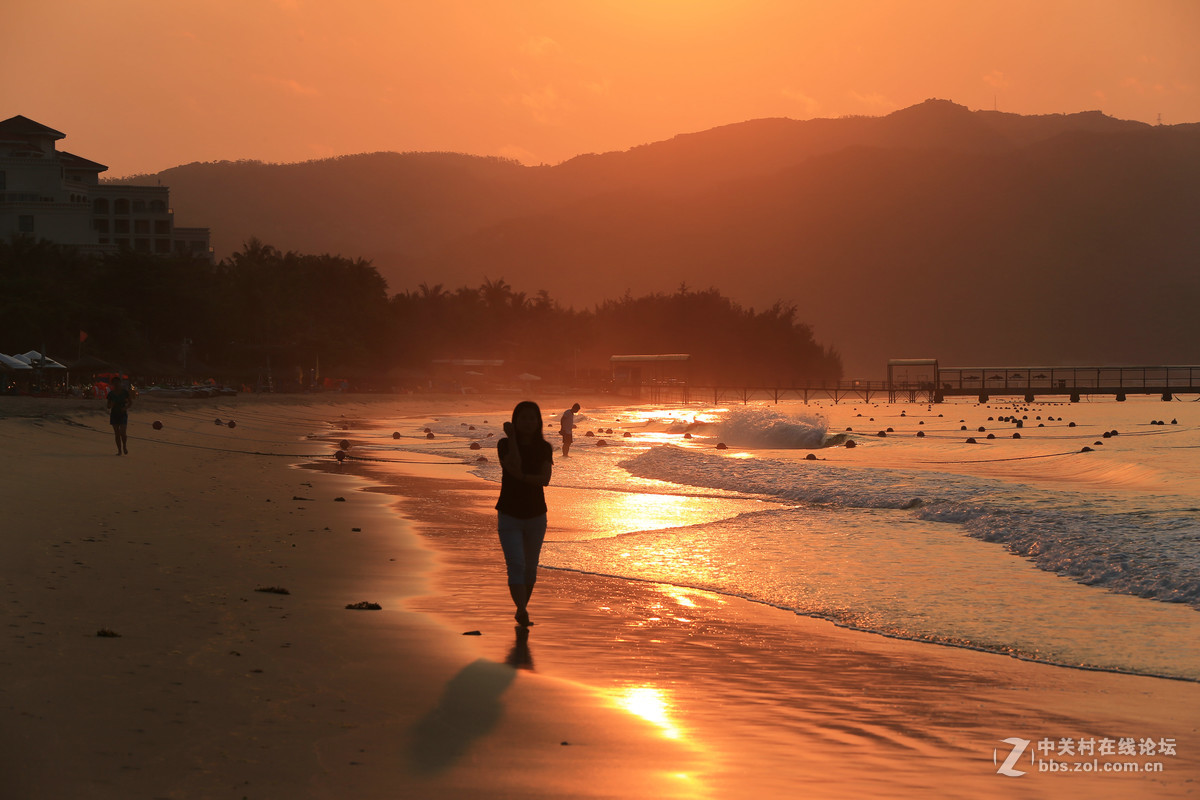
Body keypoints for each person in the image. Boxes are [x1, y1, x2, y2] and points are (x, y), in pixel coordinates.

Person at [495, 400, 554, 627]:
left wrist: (521, 478)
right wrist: (512, 440)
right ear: (515, 421)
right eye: (523, 418)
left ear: (538, 422)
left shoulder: (544, 448)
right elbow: (513, 465)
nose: (528, 423)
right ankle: (521, 610)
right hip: (509, 512)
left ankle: (522, 608)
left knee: (530, 566)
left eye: (532, 418)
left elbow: (545, 479)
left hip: (536, 514)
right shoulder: (504, 444)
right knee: (516, 563)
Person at [106, 376, 133, 455]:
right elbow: (108, 406)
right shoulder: (111, 394)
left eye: (117, 383)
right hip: (114, 414)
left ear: (120, 383)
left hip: (122, 414)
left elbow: (130, 402)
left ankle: (124, 446)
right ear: (112, 384)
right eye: (114, 383)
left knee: (123, 432)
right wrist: (112, 404)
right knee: (117, 433)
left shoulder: (125, 392)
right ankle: (119, 451)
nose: (116, 384)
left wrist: (125, 408)